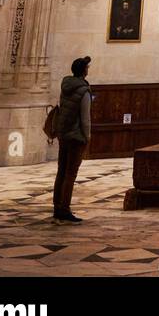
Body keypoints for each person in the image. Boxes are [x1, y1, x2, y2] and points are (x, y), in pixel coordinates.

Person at [52, 55, 92, 223]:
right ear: (84, 71)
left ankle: (57, 206)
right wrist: (87, 136)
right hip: (76, 137)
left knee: (61, 171)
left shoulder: (65, 87)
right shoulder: (83, 90)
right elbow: (85, 118)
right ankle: (65, 208)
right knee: (70, 173)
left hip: (64, 134)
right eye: (87, 67)